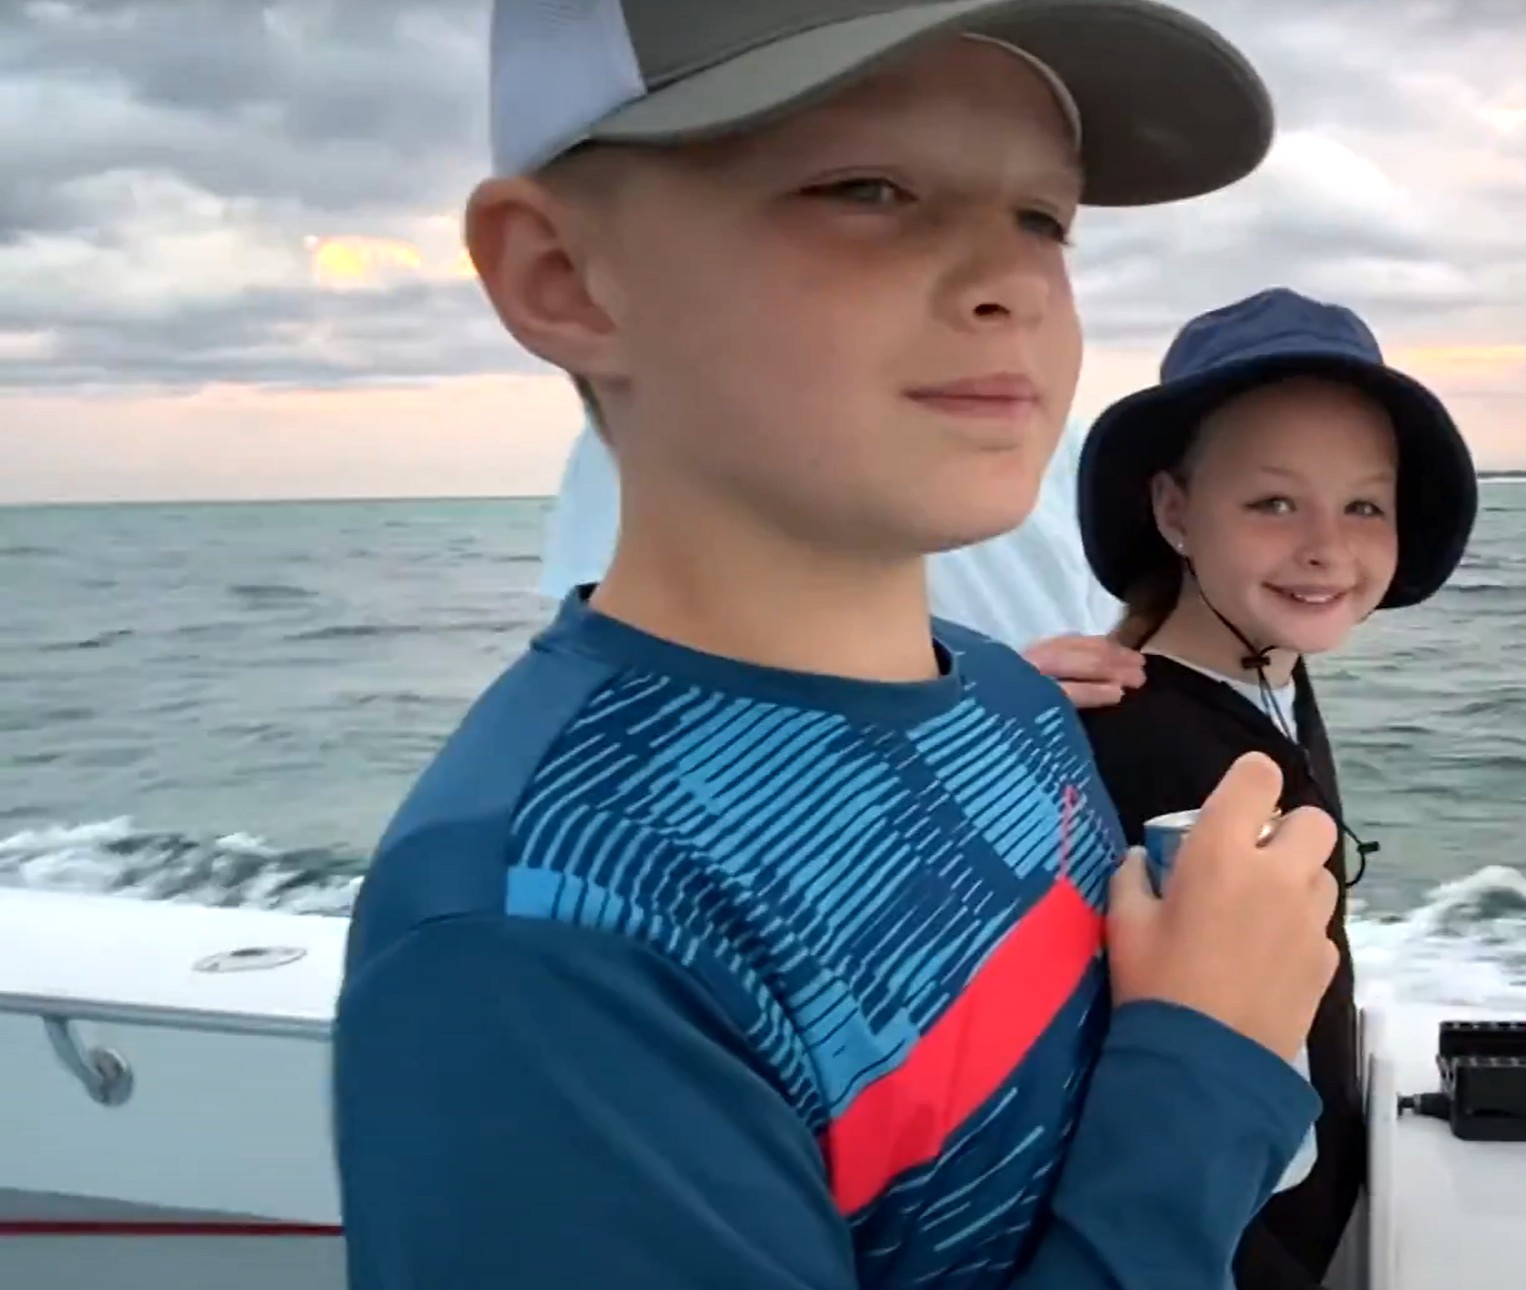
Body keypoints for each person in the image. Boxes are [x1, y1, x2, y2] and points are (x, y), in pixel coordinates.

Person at [331, 5, 1350, 1289]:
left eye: (1043, 216)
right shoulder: (536, 945)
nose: (1014, 282)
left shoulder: (1011, 704)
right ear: (563, 277)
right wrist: (1210, 1059)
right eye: (868, 188)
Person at [1071, 287, 1480, 1290]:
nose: (1326, 547)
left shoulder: (1268, 684)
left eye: (1363, 505)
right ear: (1175, 510)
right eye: (1273, 502)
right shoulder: (1157, 752)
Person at [539, 408, 1148, 705]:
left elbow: (1109, 631)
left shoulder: (1052, 434)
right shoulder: (670, 426)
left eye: (1041, 224)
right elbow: (629, 692)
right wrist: (970, 709)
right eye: (870, 196)